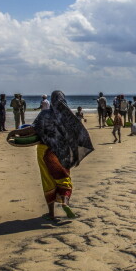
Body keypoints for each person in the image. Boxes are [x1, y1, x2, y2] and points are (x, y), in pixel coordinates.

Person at [32, 90, 94, 221]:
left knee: (47, 180)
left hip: (44, 151)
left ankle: (51, 214)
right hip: (62, 152)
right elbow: (79, 132)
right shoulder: (68, 116)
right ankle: (65, 202)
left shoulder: (44, 114)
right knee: (63, 178)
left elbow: (33, 129)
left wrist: (15, 133)